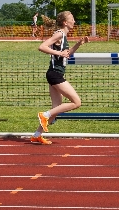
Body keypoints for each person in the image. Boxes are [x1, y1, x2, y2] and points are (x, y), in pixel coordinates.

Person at [33, 11, 89, 145]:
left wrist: (78, 44)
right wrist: (59, 52)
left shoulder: (63, 36)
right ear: (65, 22)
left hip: (55, 74)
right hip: (54, 74)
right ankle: (44, 115)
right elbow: (42, 47)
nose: (74, 21)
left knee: (56, 109)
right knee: (77, 102)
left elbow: (67, 54)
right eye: (72, 19)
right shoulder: (59, 34)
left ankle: (37, 134)